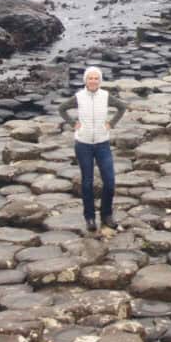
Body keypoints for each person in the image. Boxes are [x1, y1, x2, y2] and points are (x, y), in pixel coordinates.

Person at [58, 66, 128, 232]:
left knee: (109, 182)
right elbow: (62, 109)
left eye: (96, 78)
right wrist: (73, 124)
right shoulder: (79, 97)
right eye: (90, 78)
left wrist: (111, 124)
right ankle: (89, 217)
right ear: (85, 80)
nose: (93, 81)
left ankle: (107, 215)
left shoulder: (105, 96)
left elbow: (122, 107)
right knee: (87, 183)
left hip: (103, 143)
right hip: (83, 144)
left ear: (100, 81)